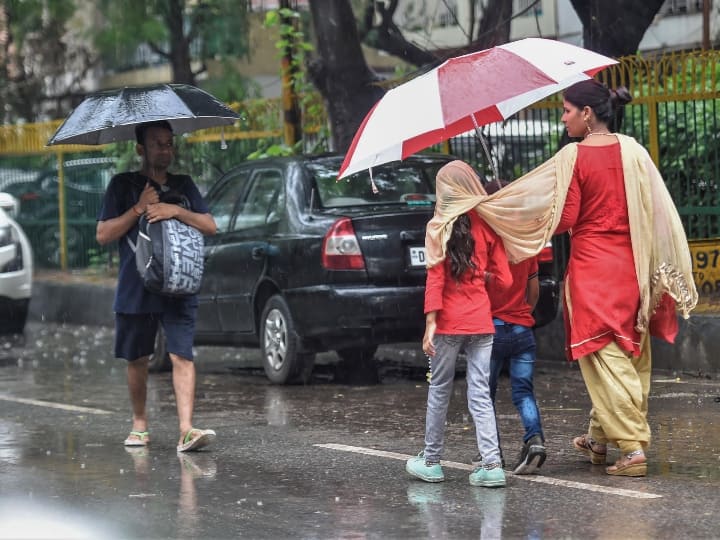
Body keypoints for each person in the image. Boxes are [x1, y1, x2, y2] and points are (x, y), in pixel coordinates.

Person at [466, 79, 696, 478]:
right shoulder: (634, 151)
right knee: (629, 350)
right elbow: (654, 209)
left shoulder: (574, 156)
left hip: (592, 269)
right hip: (633, 268)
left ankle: (633, 447)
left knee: (603, 354)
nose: (563, 117)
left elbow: (567, 218)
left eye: (566, 110)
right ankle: (599, 438)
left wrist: (509, 208)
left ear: (586, 114)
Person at [96, 120, 218, 452]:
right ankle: (139, 425)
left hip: (179, 283)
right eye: (157, 143)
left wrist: (173, 209)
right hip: (137, 285)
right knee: (138, 357)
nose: (165, 149)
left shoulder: (184, 184)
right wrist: (138, 207)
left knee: (182, 355)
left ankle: (186, 429)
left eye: (168, 143)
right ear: (140, 148)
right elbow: (104, 235)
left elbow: (209, 225)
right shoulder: (122, 185)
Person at [405, 160, 513, 488]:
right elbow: (506, 280)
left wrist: (430, 324)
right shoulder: (486, 223)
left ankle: (432, 461)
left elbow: (435, 278)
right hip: (482, 321)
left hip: (448, 324)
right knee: (479, 393)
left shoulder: (438, 226)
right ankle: (492, 465)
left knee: (439, 390)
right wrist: (484, 279)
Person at [483, 178, 546, 475]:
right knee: (523, 392)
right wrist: (520, 314)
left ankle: (492, 453)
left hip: (490, 330)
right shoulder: (524, 242)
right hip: (522, 330)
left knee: (485, 395)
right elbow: (533, 293)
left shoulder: (484, 242)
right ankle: (534, 439)